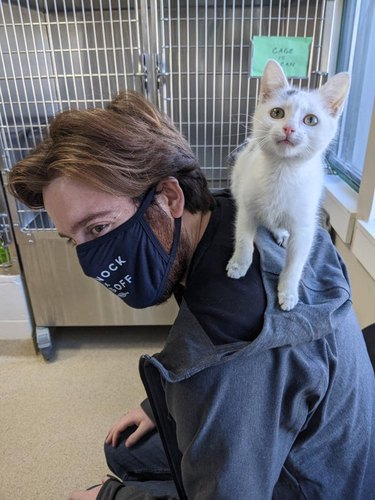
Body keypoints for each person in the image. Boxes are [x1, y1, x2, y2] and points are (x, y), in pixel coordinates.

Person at [8, 91, 375, 500]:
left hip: (313, 483)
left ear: (168, 197)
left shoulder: (228, 347)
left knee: (124, 471)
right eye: (71, 239)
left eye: (97, 228)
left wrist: (108, 499)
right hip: (332, 442)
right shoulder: (232, 215)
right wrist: (157, 406)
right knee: (126, 451)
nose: (91, 262)